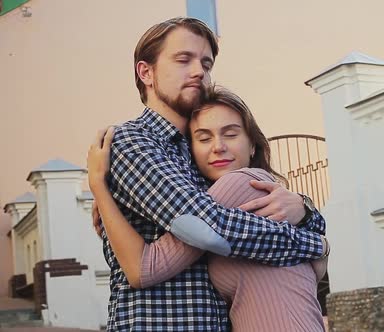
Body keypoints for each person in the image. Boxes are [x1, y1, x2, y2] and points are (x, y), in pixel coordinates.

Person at [87, 17, 328, 331]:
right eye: (183, 59)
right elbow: (204, 226)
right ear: (146, 72)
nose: (199, 71)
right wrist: (313, 244)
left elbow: (249, 209)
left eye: (206, 63)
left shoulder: (202, 152)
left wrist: (304, 208)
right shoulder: (133, 142)